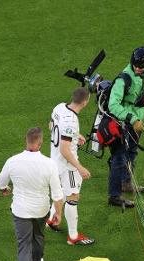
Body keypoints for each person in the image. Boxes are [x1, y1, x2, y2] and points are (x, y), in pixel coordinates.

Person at [0, 127, 64, 261]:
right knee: (39, 236)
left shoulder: (13, 161)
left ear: (26, 141)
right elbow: (57, 194)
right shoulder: (49, 163)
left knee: (24, 245)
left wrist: (5, 189)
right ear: (40, 143)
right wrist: (58, 214)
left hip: (20, 211)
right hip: (41, 209)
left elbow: (0, 183)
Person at [107, 46, 144, 208]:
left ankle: (126, 183)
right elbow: (113, 105)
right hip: (122, 125)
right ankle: (114, 196)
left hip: (136, 126)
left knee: (131, 153)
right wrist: (133, 120)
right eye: (136, 66)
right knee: (119, 159)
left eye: (141, 67)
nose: (137, 68)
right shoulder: (123, 79)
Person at [46, 87, 95, 246]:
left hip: (54, 161)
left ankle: (52, 220)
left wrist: (74, 135)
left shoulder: (59, 107)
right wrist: (80, 168)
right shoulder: (72, 121)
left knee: (59, 192)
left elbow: (51, 126)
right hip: (67, 165)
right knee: (73, 197)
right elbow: (65, 150)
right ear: (85, 102)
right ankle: (73, 237)